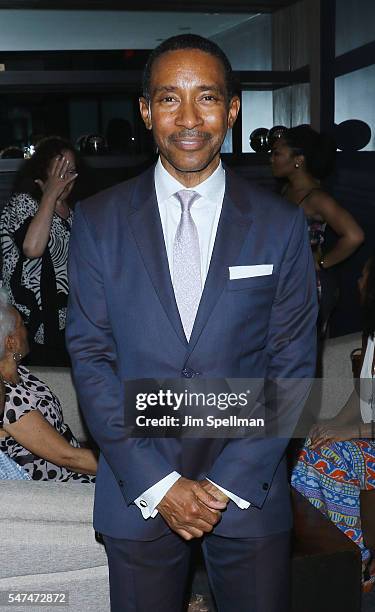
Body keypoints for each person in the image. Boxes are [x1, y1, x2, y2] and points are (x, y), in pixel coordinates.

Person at [66, 34, 318, 612]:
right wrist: (162, 486)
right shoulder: (98, 222)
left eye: (206, 98)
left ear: (231, 110)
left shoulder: (280, 224)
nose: (188, 118)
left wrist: (226, 483)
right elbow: (92, 359)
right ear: (146, 110)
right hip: (138, 490)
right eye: (168, 99)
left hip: (248, 486)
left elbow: (294, 364)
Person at [292, 254, 375, 592]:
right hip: (366, 441)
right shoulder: (371, 337)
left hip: (368, 441)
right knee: (305, 450)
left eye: (364, 275)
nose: (358, 282)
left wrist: (352, 432)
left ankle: (357, 560)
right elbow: (362, 398)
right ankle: (326, 556)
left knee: (331, 460)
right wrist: (329, 425)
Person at [270, 125, 364, 335]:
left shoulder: (317, 198)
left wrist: (322, 262)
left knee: (305, 346)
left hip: (310, 285)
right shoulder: (287, 190)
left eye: (277, 153)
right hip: (287, 281)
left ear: (299, 160)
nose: (271, 159)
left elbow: (355, 235)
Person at [0, 288, 96, 482]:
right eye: (21, 324)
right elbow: (68, 458)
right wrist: (131, 469)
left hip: (77, 464)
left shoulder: (20, 372)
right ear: (11, 342)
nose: (27, 329)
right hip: (62, 485)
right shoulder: (8, 400)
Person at [0, 136, 79, 366]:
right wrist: (50, 195)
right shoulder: (23, 204)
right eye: (59, 170)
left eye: (71, 170)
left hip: (72, 326)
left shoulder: (76, 212)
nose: (65, 178)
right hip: (30, 329)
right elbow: (32, 248)